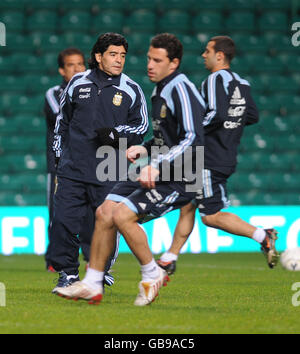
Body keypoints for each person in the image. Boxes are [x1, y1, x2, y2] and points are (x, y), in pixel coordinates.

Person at [55, 33, 206, 306]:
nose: (149, 64)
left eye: (157, 60)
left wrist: (155, 162)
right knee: (105, 212)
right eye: (149, 58)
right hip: (156, 166)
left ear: (173, 64)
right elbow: (163, 139)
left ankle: (153, 271)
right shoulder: (160, 89)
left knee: (122, 215)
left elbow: (194, 138)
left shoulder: (180, 88)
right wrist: (146, 149)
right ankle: (92, 281)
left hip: (182, 175)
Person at [156, 36, 279, 275]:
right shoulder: (241, 82)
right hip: (226, 151)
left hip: (209, 156)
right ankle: (170, 257)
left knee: (211, 216)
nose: (204, 55)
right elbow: (251, 115)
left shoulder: (214, 79)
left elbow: (216, 113)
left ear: (219, 56)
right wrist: (231, 129)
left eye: (207, 51)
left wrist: (189, 128)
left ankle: (263, 235)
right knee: (188, 206)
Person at [50, 32, 149, 293]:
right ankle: (68, 274)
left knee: (104, 225)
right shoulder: (76, 84)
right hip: (73, 168)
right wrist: (60, 157)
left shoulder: (131, 89)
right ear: (98, 56)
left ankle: (100, 274)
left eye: (122, 56)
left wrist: (118, 133)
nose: (119, 60)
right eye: (113, 55)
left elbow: (142, 126)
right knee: (62, 221)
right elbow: (62, 123)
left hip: (109, 171)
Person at [44, 47, 93, 272]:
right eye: (71, 65)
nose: (77, 69)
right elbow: (62, 118)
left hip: (87, 163)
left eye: (80, 64)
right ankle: (55, 260)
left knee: (90, 212)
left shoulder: (92, 91)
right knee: (59, 212)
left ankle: (92, 256)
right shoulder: (54, 93)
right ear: (61, 70)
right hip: (60, 163)